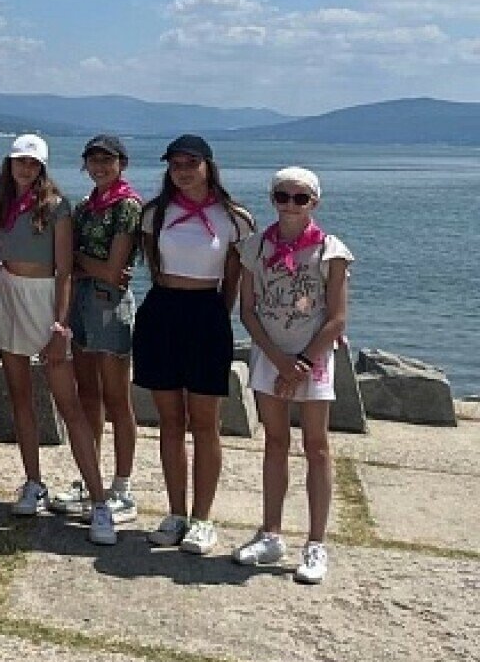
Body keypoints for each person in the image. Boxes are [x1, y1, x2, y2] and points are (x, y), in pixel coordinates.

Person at [0, 134, 115, 546]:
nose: (25, 168)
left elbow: (64, 271)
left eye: (32, 163)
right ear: (10, 164)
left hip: (43, 300)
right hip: (8, 295)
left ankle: (98, 500)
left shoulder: (57, 207)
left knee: (69, 405)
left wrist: (60, 326)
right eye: (19, 161)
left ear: (42, 167)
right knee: (20, 398)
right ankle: (33, 482)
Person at [134, 134, 254, 556]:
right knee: (170, 420)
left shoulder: (235, 218)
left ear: (208, 165)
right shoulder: (155, 213)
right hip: (162, 310)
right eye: (175, 165)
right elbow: (153, 264)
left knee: (205, 422)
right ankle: (176, 513)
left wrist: (217, 316)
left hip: (207, 314)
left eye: (191, 163)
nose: (182, 172)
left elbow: (234, 277)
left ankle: (203, 519)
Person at [235, 167, 352, 584]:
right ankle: (271, 532)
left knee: (316, 446)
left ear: (314, 202)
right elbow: (247, 310)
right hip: (271, 353)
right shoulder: (255, 247)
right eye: (282, 196)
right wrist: (279, 361)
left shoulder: (330, 251)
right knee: (275, 441)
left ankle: (316, 542)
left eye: (300, 198)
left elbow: (337, 318)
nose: (290, 205)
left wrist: (301, 363)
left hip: (313, 356)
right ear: (273, 199)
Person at [60, 135, 143, 526]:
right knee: (88, 395)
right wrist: (87, 265)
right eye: (93, 160)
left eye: (107, 160)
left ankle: (122, 485)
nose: (100, 167)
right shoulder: (84, 207)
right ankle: (89, 477)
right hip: (81, 302)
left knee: (117, 398)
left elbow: (114, 271)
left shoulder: (128, 206)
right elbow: (97, 266)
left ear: (121, 164)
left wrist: (77, 259)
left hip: (109, 306)